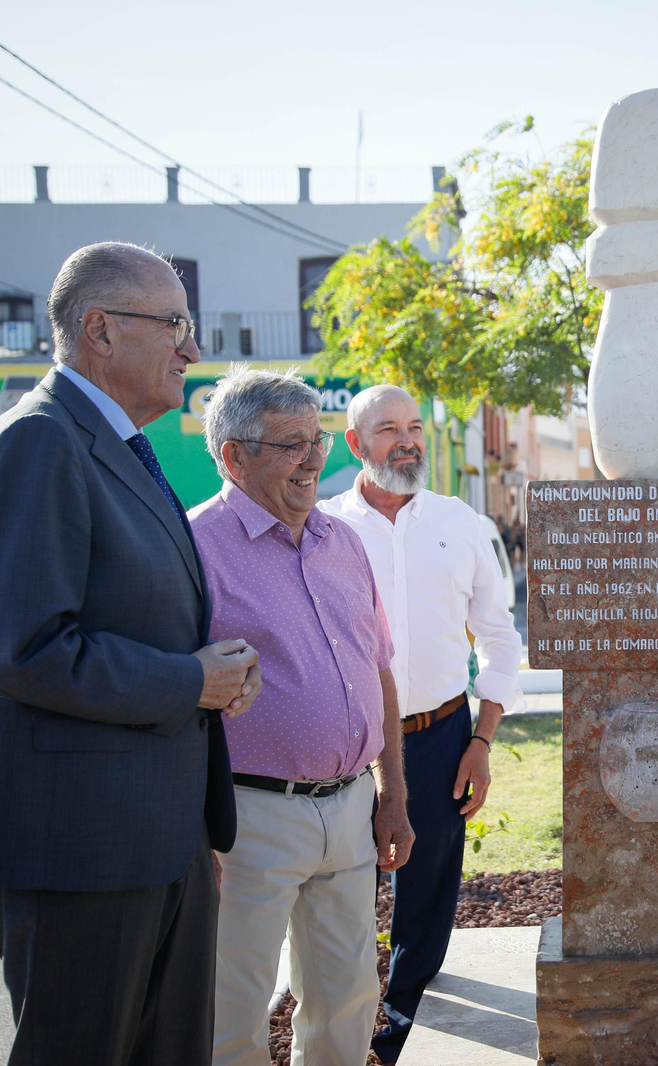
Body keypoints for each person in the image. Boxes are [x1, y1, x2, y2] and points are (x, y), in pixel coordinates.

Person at [0, 241, 262, 1066]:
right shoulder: (39, 443)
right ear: (100, 330)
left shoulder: (111, 447)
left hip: (152, 832)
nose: (192, 349)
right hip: (79, 840)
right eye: (176, 325)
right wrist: (191, 680)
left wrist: (212, 671)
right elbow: (27, 649)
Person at [190, 367, 416, 1066]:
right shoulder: (192, 548)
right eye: (291, 445)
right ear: (233, 455)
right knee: (232, 1008)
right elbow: (171, 695)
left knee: (346, 996)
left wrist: (393, 796)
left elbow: (378, 669)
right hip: (246, 818)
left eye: (317, 439)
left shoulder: (342, 541)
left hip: (349, 812)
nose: (315, 458)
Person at [320, 384, 526, 1063]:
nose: (406, 440)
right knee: (346, 891)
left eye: (412, 427)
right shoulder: (323, 529)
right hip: (347, 744)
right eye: (387, 429)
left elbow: (500, 638)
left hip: (441, 737)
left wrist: (482, 739)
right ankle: (339, 1027)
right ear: (355, 444)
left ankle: (402, 1026)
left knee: (428, 889)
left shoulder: (462, 522)